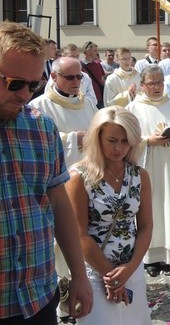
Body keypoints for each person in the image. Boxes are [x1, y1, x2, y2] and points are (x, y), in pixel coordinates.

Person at [0, 21, 93, 324]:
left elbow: (59, 203)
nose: (25, 94)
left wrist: (78, 274)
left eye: (34, 84)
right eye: (15, 83)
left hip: (38, 296)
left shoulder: (41, 126)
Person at [65, 106, 153, 325]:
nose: (119, 148)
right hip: (95, 270)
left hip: (131, 268)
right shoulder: (79, 177)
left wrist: (129, 269)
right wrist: (112, 277)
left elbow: (146, 226)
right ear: (98, 137)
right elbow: (79, 235)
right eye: (112, 140)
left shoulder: (139, 175)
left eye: (125, 141)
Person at [126, 65, 170, 277]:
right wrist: (148, 141)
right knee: (152, 208)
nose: (157, 87)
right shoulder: (133, 109)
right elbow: (127, 139)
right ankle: (150, 257)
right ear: (142, 85)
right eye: (152, 83)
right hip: (148, 166)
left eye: (160, 83)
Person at [29, 56, 98, 168]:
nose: (76, 82)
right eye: (70, 77)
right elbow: (35, 140)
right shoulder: (38, 106)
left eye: (79, 76)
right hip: (58, 172)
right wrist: (74, 139)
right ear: (54, 76)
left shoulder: (88, 104)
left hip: (89, 169)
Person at [82, 41, 106, 109]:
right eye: (95, 51)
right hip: (86, 100)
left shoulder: (98, 64)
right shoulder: (79, 65)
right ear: (88, 51)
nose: (97, 53)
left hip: (99, 99)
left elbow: (102, 81)